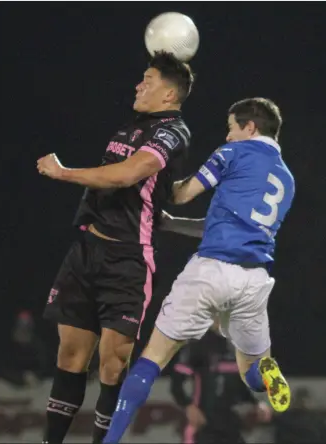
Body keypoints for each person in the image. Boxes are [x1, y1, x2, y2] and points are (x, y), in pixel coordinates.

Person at [103, 97, 296, 443]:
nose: (227, 137)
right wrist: (173, 225)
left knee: (153, 357)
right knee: (249, 368)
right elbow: (223, 224)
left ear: (249, 128)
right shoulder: (286, 178)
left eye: (231, 129)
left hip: (210, 271)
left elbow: (182, 193)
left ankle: (109, 440)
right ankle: (265, 374)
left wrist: (150, 182)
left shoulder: (234, 154)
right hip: (254, 279)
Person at [36, 51, 194, 444]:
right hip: (87, 251)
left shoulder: (173, 131)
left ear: (170, 93)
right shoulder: (131, 127)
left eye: (148, 79)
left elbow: (127, 175)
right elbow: (154, 189)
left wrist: (62, 172)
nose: (139, 85)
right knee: (70, 357)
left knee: (111, 365)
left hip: (127, 260)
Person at [171, 319, 271, 444]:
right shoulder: (196, 346)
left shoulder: (237, 347)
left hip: (229, 423)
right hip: (203, 423)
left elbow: (239, 386)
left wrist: (256, 403)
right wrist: (188, 406)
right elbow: (176, 384)